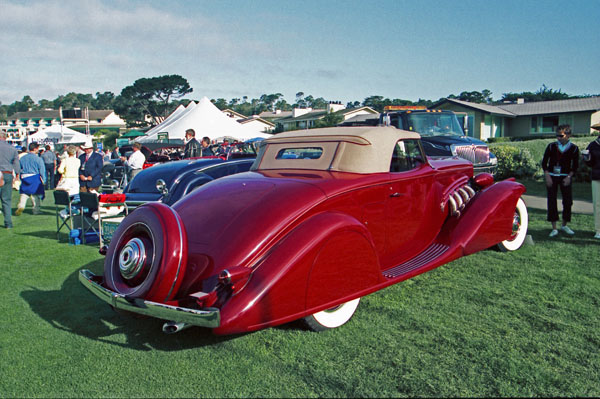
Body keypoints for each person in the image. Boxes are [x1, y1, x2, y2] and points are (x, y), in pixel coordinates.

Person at [541, 124, 579, 237]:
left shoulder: (574, 148)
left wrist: (569, 177)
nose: (558, 138)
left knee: (567, 201)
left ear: (568, 135)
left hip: (565, 177)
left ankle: (564, 225)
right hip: (552, 176)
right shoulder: (551, 146)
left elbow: (575, 165)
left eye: (561, 135)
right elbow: (544, 163)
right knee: (551, 200)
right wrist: (547, 175)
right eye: (557, 135)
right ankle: (554, 228)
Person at [16, 142, 46, 216]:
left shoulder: (22, 158)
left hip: (24, 176)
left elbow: (19, 169)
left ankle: (21, 206)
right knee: (35, 194)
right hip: (34, 177)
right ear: (35, 149)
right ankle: (36, 210)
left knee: (24, 194)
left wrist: (20, 177)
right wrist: (44, 179)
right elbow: (42, 170)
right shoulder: (38, 159)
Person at [0, 132, 20, 229]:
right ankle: (8, 223)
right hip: (7, 173)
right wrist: (17, 174)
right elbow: (16, 163)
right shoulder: (12, 148)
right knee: (6, 200)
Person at [584, 123, 600, 239]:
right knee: (597, 205)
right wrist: (587, 159)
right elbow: (589, 163)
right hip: (597, 177)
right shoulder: (593, 145)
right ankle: (598, 230)